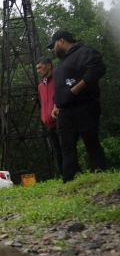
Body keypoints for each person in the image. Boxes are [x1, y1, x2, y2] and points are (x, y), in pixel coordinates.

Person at [47, 30, 106, 183]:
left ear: (61, 41)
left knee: (91, 143)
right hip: (65, 112)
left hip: (84, 106)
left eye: (53, 45)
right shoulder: (61, 64)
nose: (52, 50)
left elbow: (97, 68)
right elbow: (59, 88)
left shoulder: (84, 52)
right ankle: (69, 182)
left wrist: (74, 90)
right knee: (66, 149)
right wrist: (55, 104)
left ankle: (99, 178)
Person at [36, 57, 64, 175]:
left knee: (66, 150)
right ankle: (65, 177)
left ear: (48, 66)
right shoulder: (41, 86)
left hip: (61, 120)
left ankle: (72, 174)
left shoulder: (58, 79)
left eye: (40, 67)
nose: (38, 71)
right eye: (37, 68)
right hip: (50, 124)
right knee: (57, 152)